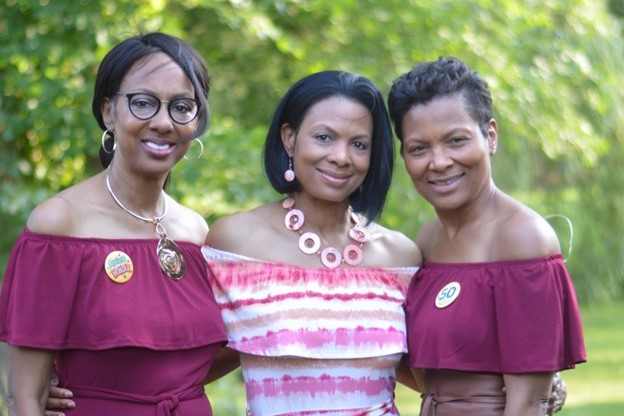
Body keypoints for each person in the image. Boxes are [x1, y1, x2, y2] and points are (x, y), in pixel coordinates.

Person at [0, 32, 227, 415]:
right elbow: (24, 398)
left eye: (182, 107)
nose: (163, 122)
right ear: (108, 112)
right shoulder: (60, 225)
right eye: (143, 103)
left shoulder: (195, 232)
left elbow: (197, 362)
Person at [202, 70, 423, 415]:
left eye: (359, 144)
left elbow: (434, 377)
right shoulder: (236, 242)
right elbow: (189, 367)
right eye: (324, 137)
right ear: (289, 139)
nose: (341, 157)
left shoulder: (401, 257)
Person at [387, 56, 586, 416]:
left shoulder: (523, 239)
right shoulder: (428, 240)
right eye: (419, 148)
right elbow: (438, 371)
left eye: (456, 140)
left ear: (490, 136)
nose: (439, 161)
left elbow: (528, 403)